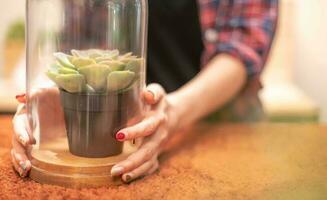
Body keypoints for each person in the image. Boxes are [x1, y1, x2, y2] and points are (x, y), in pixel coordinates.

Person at [11, 0, 278, 183]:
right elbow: (79, 41)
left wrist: (172, 113)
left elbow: (243, 50)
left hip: (222, 132)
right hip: (125, 129)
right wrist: (60, 98)